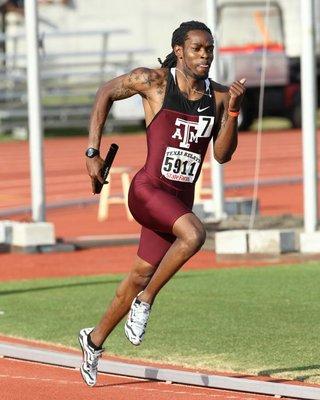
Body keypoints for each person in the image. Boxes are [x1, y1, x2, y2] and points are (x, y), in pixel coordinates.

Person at [79, 20, 246, 387]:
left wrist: (232, 112)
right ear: (179, 51)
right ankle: (146, 302)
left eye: (210, 49)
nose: (206, 55)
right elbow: (106, 91)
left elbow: (221, 154)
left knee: (139, 273)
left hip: (177, 200)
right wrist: (93, 152)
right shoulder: (154, 82)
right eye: (198, 48)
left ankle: (93, 341)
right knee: (195, 234)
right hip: (148, 191)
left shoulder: (217, 97)